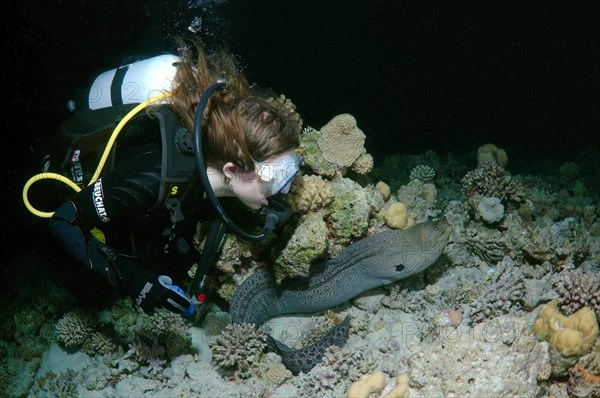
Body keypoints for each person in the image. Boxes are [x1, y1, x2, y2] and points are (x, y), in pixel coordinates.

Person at [48, 41, 303, 317]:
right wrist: (134, 279)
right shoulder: (153, 176)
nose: (283, 188)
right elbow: (64, 219)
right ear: (231, 170)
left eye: (288, 172)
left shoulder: (211, 172)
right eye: (275, 177)